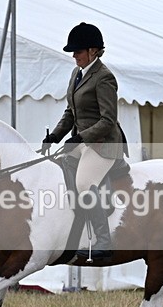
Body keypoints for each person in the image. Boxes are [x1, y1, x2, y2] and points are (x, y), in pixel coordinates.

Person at [40, 22, 124, 260]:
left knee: (85, 185)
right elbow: (71, 112)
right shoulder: (76, 74)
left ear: (93, 51)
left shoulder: (104, 78)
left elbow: (108, 120)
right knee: (57, 169)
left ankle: (104, 242)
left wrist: (79, 137)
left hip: (103, 144)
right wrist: (55, 136)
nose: (74, 56)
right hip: (83, 143)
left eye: (78, 51)